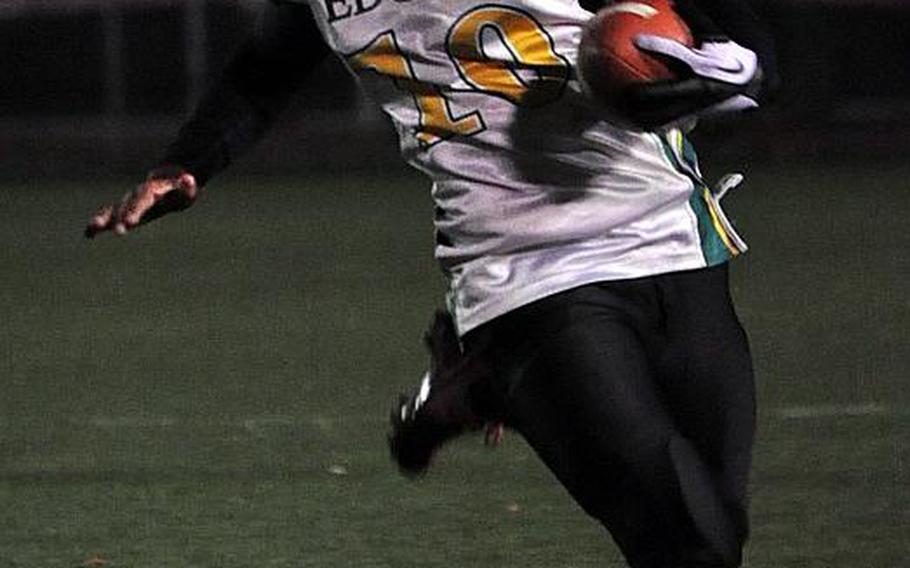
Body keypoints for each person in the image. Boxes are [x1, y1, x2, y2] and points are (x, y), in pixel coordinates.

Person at [85, 1, 777, 566]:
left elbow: (727, 31)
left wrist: (731, 67)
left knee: (721, 522)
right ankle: (493, 371)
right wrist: (188, 163)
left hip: (677, 239)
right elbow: (269, 65)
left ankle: (475, 385)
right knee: (689, 545)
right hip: (524, 272)